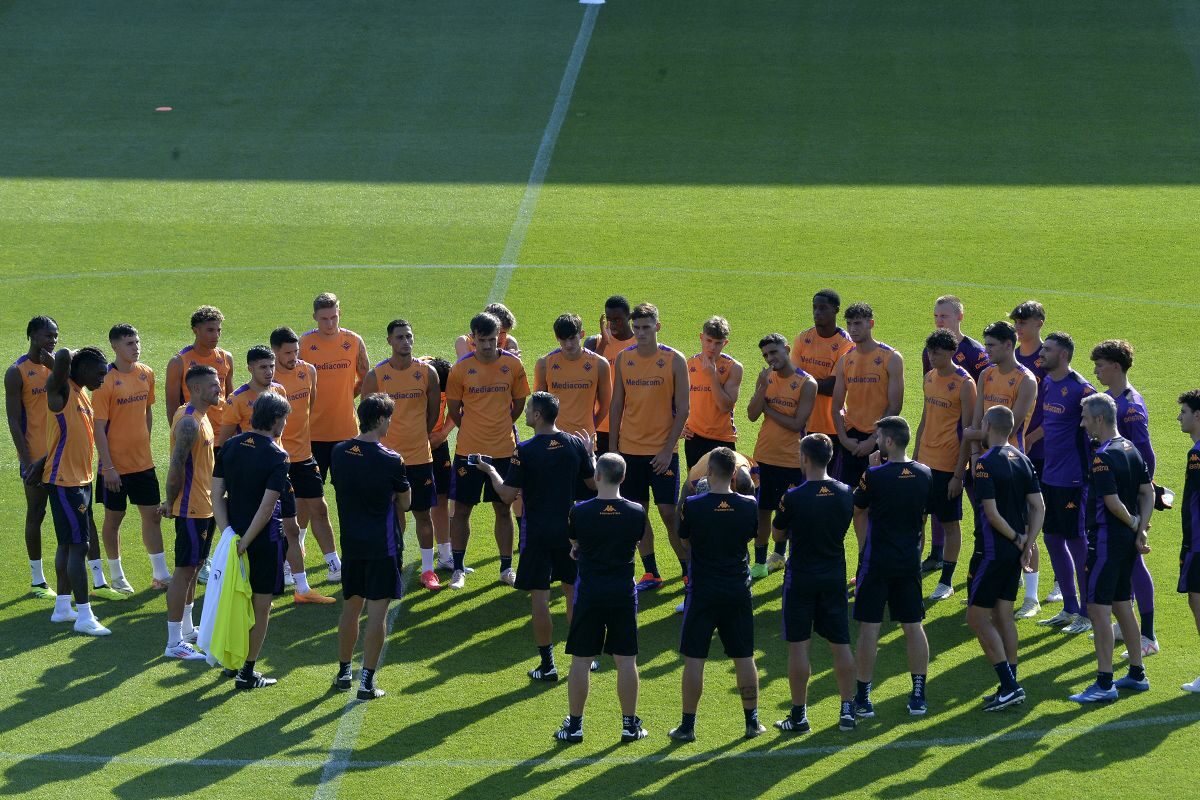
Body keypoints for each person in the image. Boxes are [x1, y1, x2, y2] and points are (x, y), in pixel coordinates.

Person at [475, 392, 596, 681]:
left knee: (540, 596)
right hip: (569, 532)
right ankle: (583, 659)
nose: (525, 413)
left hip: (537, 532)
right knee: (572, 591)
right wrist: (590, 454)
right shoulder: (574, 443)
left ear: (538, 415)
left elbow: (506, 496)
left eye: (528, 409)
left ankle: (547, 665)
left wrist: (491, 470)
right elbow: (592, 485)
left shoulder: (525, 450)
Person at [669, 448, 764, 741]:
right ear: (735, 475)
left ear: (708, 473)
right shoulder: (749, 505)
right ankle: (752, 722)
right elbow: (750, 536)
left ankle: (687, 726)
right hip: (737, 588)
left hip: (703, 590)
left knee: (695, 659)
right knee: (744, 656)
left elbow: (683, 540)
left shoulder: (693, 506)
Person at [556, 453, 648, 744]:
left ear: (597, 476)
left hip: (590, 593)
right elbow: (633, 540)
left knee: (581, 661)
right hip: (622, 593)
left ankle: (575, 726)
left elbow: (575, 543)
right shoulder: (636, 511)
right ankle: (629, 725)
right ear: (623, 477)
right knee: (626, 661)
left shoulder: (579, 512)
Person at [1069, 393, 1154, 703]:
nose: (1083, 423)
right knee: (1122, 605)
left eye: (1086, 418)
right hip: (1126, 543)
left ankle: (1104, 683)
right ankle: (1136, 673)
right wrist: (1141, 528)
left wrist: (1134, 525)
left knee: (1098, 609)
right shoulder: (1131, 449)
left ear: (1100, 419)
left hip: (1105, 541)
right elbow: (1147, 493)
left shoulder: (1103, 457)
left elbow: (1112, 502)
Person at [771, 433, 857, 732]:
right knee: (840, 644)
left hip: (801, 578)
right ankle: (848, 710)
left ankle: (798, 715)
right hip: (834, 575)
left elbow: (777, 535)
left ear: (804, 459)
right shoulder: (846, 492)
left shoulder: (793, 497)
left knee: (799, 647)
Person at [330, 393, 412, 700]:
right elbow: (406, 502)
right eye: (389, 417)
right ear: (379, 419)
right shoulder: (391, 459)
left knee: (350, 609)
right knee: (377, 616)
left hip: (351, 545)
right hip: (383, 547)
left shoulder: (339, 452)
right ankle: (367, 681)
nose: (391, 422)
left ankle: (343, 671)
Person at [851, 416, 933, 717]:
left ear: (887, 442)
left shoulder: (874, 476)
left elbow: (858, 509)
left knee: (869, 628)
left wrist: (862, 548)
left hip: (877, 561)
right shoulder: (925, 474)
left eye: (877, 436)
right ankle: (918, 695)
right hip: (909, 560)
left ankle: (863, 698)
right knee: (913, 626)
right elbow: (924, 517)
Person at [27, 346, 111, 635]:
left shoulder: (80, 393)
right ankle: (84, 615)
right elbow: (62, 355)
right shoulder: (60, 393)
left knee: (66, 544)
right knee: (79, 547)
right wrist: (68, 355)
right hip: (65, 482)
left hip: (79, 480)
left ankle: (63, 607)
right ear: (82, 369)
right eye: (99, 372)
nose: (104, 378)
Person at [213, 391, 293, 689]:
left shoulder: (230, 446)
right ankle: (247, 671)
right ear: (275, 419)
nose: (284, 424)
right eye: (284, 419)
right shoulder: (277, 455)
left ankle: (230, 663)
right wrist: (245, 540)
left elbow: (216, 495)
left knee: (234, 599)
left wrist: (228, 534)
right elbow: (267, 506)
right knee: (261, 606)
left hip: (233, 538)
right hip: (262, 541)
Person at [967, 406, 1044, 711]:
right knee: (1003, 615)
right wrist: (1027, 544)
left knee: (976, 617)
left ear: (988, 425)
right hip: (1012, 552)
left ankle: (1010, 686)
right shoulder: (1023, 459)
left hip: (993, 551)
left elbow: (991, 512)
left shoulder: (985, 463)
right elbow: (1038, 507)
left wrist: (1016, 538)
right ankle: (1009, 683)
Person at [445, 312, 530, 589]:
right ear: (473, 339)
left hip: (504, 449)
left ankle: (506, 568)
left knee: (503, 509)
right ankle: (458, 569)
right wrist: (471, 427)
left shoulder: (513, 365)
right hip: (469, 450)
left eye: (492, 340)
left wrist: (501, 424)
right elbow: (454, 409)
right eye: (482, 340)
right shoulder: (460, 368)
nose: (487, 346)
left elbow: (519, 403)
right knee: (462, 510)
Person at [609, 302, 689, 592]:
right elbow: (616, 404)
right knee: (637, 514)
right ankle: (651, 572)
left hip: (662, 451)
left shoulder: (674, 359)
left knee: (669, 512)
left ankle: (687, 570)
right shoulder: (623, 358)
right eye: (637, 328)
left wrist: (668, 450)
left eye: (646, 327)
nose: (641, 333)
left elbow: (683, 410)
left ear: (658, 326)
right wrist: (614, 449)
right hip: (630, 451)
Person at [962, 320, 1039, 618]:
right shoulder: (986, 374)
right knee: (987, 524)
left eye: (992, 345)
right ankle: (1003, 582)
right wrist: (973, 453)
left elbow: (1012, 426)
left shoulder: (1026, 380)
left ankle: (1031, 596)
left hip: (1010, 461)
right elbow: (979, 419)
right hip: (983, 459)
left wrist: (973, 436)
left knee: (1020, 524)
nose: (987, 350)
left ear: (1009, 345)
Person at [361, 320, 442, 590]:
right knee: (393, 514)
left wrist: (419, 434)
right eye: (399, 337)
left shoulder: (427, 373)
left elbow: (432, 414)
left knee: (422, 514)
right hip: (386, 459)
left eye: (409, 336)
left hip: (420, 457)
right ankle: (393, 563)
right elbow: (367, 416)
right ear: (389, 341)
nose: (405, 341)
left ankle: (429, 570)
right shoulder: (376, 376)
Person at [1092, 340, 1159, 657]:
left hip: (1128, 497)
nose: (1096, 371)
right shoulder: (1114, 400)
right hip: (1118, 492)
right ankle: (1130, 623)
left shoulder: (1130, 408)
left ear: (1116, 367)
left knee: (1134, 561)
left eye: (1101, 365)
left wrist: (1141, 497)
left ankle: (1148, 635)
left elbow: (1146, 456)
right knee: (1125, 562)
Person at [93, 323, 169, 593]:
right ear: (114, 347)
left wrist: (144, 442)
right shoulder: (105, 381)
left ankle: (160, 574)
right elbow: (98, 428)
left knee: (153, 516)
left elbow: (147, 412)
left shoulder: (146, 374)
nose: (135, 347)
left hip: (143, 463)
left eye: (136, 342)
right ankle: (116, 575)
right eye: (129, 343)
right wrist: (108, 467)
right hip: (114, 467)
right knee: (115, 518)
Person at [919, 296, 989, 573]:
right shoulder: (930, 352)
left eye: (944, 316)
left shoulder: (975, 353)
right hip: (938, 444)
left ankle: (984, 550)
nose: (939, 320)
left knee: (975, 500)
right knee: (939, 503)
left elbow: (985, 393)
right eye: (936, 316)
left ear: (960, 317)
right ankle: (937, 554)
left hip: (969, 441)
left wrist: (975, 446)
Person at [270, 327, 339, 601]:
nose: (293, 357)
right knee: (288, 519)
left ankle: (334, 565)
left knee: (319, 509)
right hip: (280, 460)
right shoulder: (270, 378)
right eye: (287, 353)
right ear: (275, 351)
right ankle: (288, 566)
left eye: (295, 351)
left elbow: (310, 404)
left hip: (305, 455)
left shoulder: (308, 371)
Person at [1034, 333, 1096, 635]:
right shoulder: (1048, 383)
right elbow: (1049, 426)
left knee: (1077, 542)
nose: (1041, 353)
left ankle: (1087, 612)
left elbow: (1098, 432)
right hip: (1049, 475)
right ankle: (1069, 607)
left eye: (1047, 349)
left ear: (1064, 356)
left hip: (1073, 479)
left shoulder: (1082, 390)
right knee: (1051, 539)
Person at [157, 365, 220, 658]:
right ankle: (172, 642)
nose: (218, 389)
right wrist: (170, 502)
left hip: (203, 507)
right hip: (190, 508)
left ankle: (187, 629)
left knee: (195, 569)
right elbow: (176, 467)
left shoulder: (202, 418)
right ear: (195, 388)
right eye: (212, 385)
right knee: (184, 571)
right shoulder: (188, 423)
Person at [913, 329, 977, 601]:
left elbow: (968, 430)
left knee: (950, 523)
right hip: (924, 462)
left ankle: (946, 581)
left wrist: (958, 473)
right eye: (930, 351)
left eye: (937, 352)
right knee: (918, 521)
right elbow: (925, 419)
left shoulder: (965, 383)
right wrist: (913, 458)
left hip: (948, 464)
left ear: (951, 353)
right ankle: (911, 573)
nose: (932, 356)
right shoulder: (929, 377)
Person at [747, 333, 816, 578]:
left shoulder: (807, 383)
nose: (770, 358)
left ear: (786, 349)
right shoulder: (765, 378)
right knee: (762, 510)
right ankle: (759, 563)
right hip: (764, 455)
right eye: (766, 355)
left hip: (791, 459)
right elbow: (752, 415)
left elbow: (798, 423)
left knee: (788, 512)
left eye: (774, 352)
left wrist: (768, 408)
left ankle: (780, 555)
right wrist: (762, 390)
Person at [7, 315, 59, 597]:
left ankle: (95, 577)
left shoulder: (59, 367)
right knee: (36, 513)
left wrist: (58, 369)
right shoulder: (17, 371)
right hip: (36, 459)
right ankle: (38, 580)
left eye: (55, 335)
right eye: (47, 335)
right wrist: (27, 463)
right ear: (32, 336)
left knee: (74, 516)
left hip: (63, 456)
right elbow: (14, 421)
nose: (52, 340)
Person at [300, 292, 369, 492]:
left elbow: (366, 378)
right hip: (313, 433)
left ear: (339, 313)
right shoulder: (304, 344)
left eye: (334, 317)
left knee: (349, 492)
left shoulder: (354, 341)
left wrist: (347, 395)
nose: (330, 324)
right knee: (309, 496)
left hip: (346, 432)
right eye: (324, 319)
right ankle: (303, 526)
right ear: (315, 317)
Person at [534, 313, 611, 492]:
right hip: (552, 443)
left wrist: (590, 427)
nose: (568, 345)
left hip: (585, 444)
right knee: (556, 500)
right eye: (563, 339)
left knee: (587, 500)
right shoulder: (545, 363)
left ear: (581, 334)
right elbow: (539, 407)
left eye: (572, 338)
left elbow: (605, 405)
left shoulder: (599, 364)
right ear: (556, 338)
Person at [832, 303, 904, 489]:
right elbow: (837, 405)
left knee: (879, 495)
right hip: (852, 440)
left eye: (858, 323)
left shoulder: (891, 357)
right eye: (849, 324)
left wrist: (873, 439)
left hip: (882, 436)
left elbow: (894, 406)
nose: (853, 329)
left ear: (870, 323)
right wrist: (843, 439)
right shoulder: (845, 360)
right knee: (849, 496)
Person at [1011, 301, 1051, 610]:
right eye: (1016, 321)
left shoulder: (1045, 359)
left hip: (1040, 452)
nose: (1018, 325)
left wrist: (1030, 437)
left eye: (1024, 320)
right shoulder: (1010, 357)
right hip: (1016, 449)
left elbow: (1056, 411)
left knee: (1041, 520)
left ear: (1039, 322)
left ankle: (1043, 590)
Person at [791, 290, 853, 467]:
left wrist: (805, 382)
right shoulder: (803, 338)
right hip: (803, 422)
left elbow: (832, 387)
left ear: (836, 310)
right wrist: (811, 383)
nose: (817, 312)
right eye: (814, 308)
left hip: (833, 426)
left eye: (823, 308)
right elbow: (792, 382)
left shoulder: (846, 344)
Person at [682, 316, 743, 470]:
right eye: (708, 341)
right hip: (694, 438)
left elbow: (725, 406)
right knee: (695, 486)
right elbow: (675, 398)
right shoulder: (688, 365)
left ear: (725, 343)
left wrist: (712, 376)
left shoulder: (733, 368)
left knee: (722, 487)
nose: (712, 347)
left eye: (718, 343)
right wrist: (679, 424)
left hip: (722, 438)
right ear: (701, 337)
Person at [165, 305, 233, 435]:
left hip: (224, 433)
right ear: (195, 330)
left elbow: (230, 399)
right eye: (210, 330)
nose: (216, 335)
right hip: (196, 432)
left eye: (219, 330)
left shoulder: (226, 358)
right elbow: (172, 405)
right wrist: (179, 434)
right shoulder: (178, 362)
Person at [584, 296, 636, 455]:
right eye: (609, 319)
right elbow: (587, 376)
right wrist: (604, 343)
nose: (613, 324)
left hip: (629, 427)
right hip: (599, 424)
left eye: (618, 319)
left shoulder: (640, 343)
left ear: (629, 317)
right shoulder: (594, 342)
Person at [421, 356, 456, 571]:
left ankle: (445, 555)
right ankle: (393, 556)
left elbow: (459, 407)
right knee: (400, 502)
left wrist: (442, 434)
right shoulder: (417, 378)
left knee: (441, 498)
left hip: (437, 444)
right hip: (410, 445)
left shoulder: (449, 376)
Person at [1176, 390, 1200, 693]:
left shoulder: (1197, 456)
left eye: (1184, 411)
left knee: (1197, 601)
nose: (1179, 417)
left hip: (1198, 543)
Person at [217, 346, 286, 446]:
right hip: (250, 460)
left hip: (276, 458)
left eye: (271, 366)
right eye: (263, 367)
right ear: (250, 369)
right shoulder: (237, 399)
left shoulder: (280, 391)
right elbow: (224, 442)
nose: (269, 372)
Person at [455, 302, 520, 358]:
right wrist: (505, 358)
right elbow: (467, 369)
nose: (501, 337)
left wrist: (513, 361)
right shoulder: (464, 342)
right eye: (498, 332)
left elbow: (516, 371)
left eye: (504, 333)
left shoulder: (509, 342)